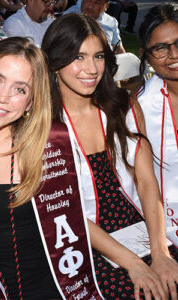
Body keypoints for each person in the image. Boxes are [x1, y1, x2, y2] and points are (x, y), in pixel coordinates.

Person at [42, 13, 178, 299]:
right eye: (78, 57)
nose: (91, 69)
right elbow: (66, 209)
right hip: (79, 236)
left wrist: (161, 252)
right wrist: (133, 263)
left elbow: (145, 181)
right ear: (54, 62)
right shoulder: (43, 128)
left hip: (136, 222)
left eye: (99, 56)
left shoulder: (123, 108)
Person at [0, 36, 104, 299]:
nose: (4, 97)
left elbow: (73, 221)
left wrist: (133, 262)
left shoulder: (48, 148)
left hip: (50, 285)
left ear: (31, 103)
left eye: (20, 89)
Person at [137, 4, 178, 254]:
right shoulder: (138, 109)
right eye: (160, 48)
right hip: (165, 222)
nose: (173, 55)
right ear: (146, 55)